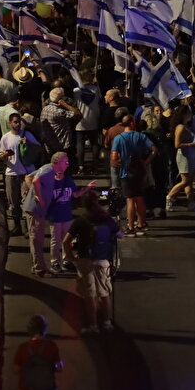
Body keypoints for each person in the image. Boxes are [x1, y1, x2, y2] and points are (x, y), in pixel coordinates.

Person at [27, 153, 95, 277]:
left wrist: (87, 188)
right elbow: (33, 180)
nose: (67, 164)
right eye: (65, 161)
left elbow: (29, 178)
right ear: (57, 162)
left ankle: (59, 262)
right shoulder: (48, 170)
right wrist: (38, 197)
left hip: (58, 214)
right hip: (47, 213)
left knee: (54, 239)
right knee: (43, 240)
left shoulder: (60, 176)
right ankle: (46, 265)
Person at [64, 194, 120, 333]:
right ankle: (107, 323)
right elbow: (120, 234)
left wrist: (71, 258)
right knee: (104, 293)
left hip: (84, 260)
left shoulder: (81, 221)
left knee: (89, 295)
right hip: (102, 259)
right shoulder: (106, 219)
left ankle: (92, 325)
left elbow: (66, 241)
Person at [110, 116, 157, 236]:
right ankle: (141, 224)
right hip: (140, 171)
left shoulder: (118, 138)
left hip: (126, 172)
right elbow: (154, 149)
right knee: (140, 198)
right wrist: (146, 161)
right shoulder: (140, 136)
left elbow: (114, 158)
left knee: (130, 199)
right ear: (132, 123)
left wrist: (120, 164)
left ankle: (131, 227)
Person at [0, 113, 41, 236]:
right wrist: (5, 155)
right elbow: (0, 156)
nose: (17, 124)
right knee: (13, 202)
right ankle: (16, 227)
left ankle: (27, 228)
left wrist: (28, 144)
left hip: (26, 174)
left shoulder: (27, 135)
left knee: (26, 201)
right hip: (11, 173)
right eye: (15, 122)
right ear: (9, 123)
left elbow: (38, 148)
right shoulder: (5, 138)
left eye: (19, 122)